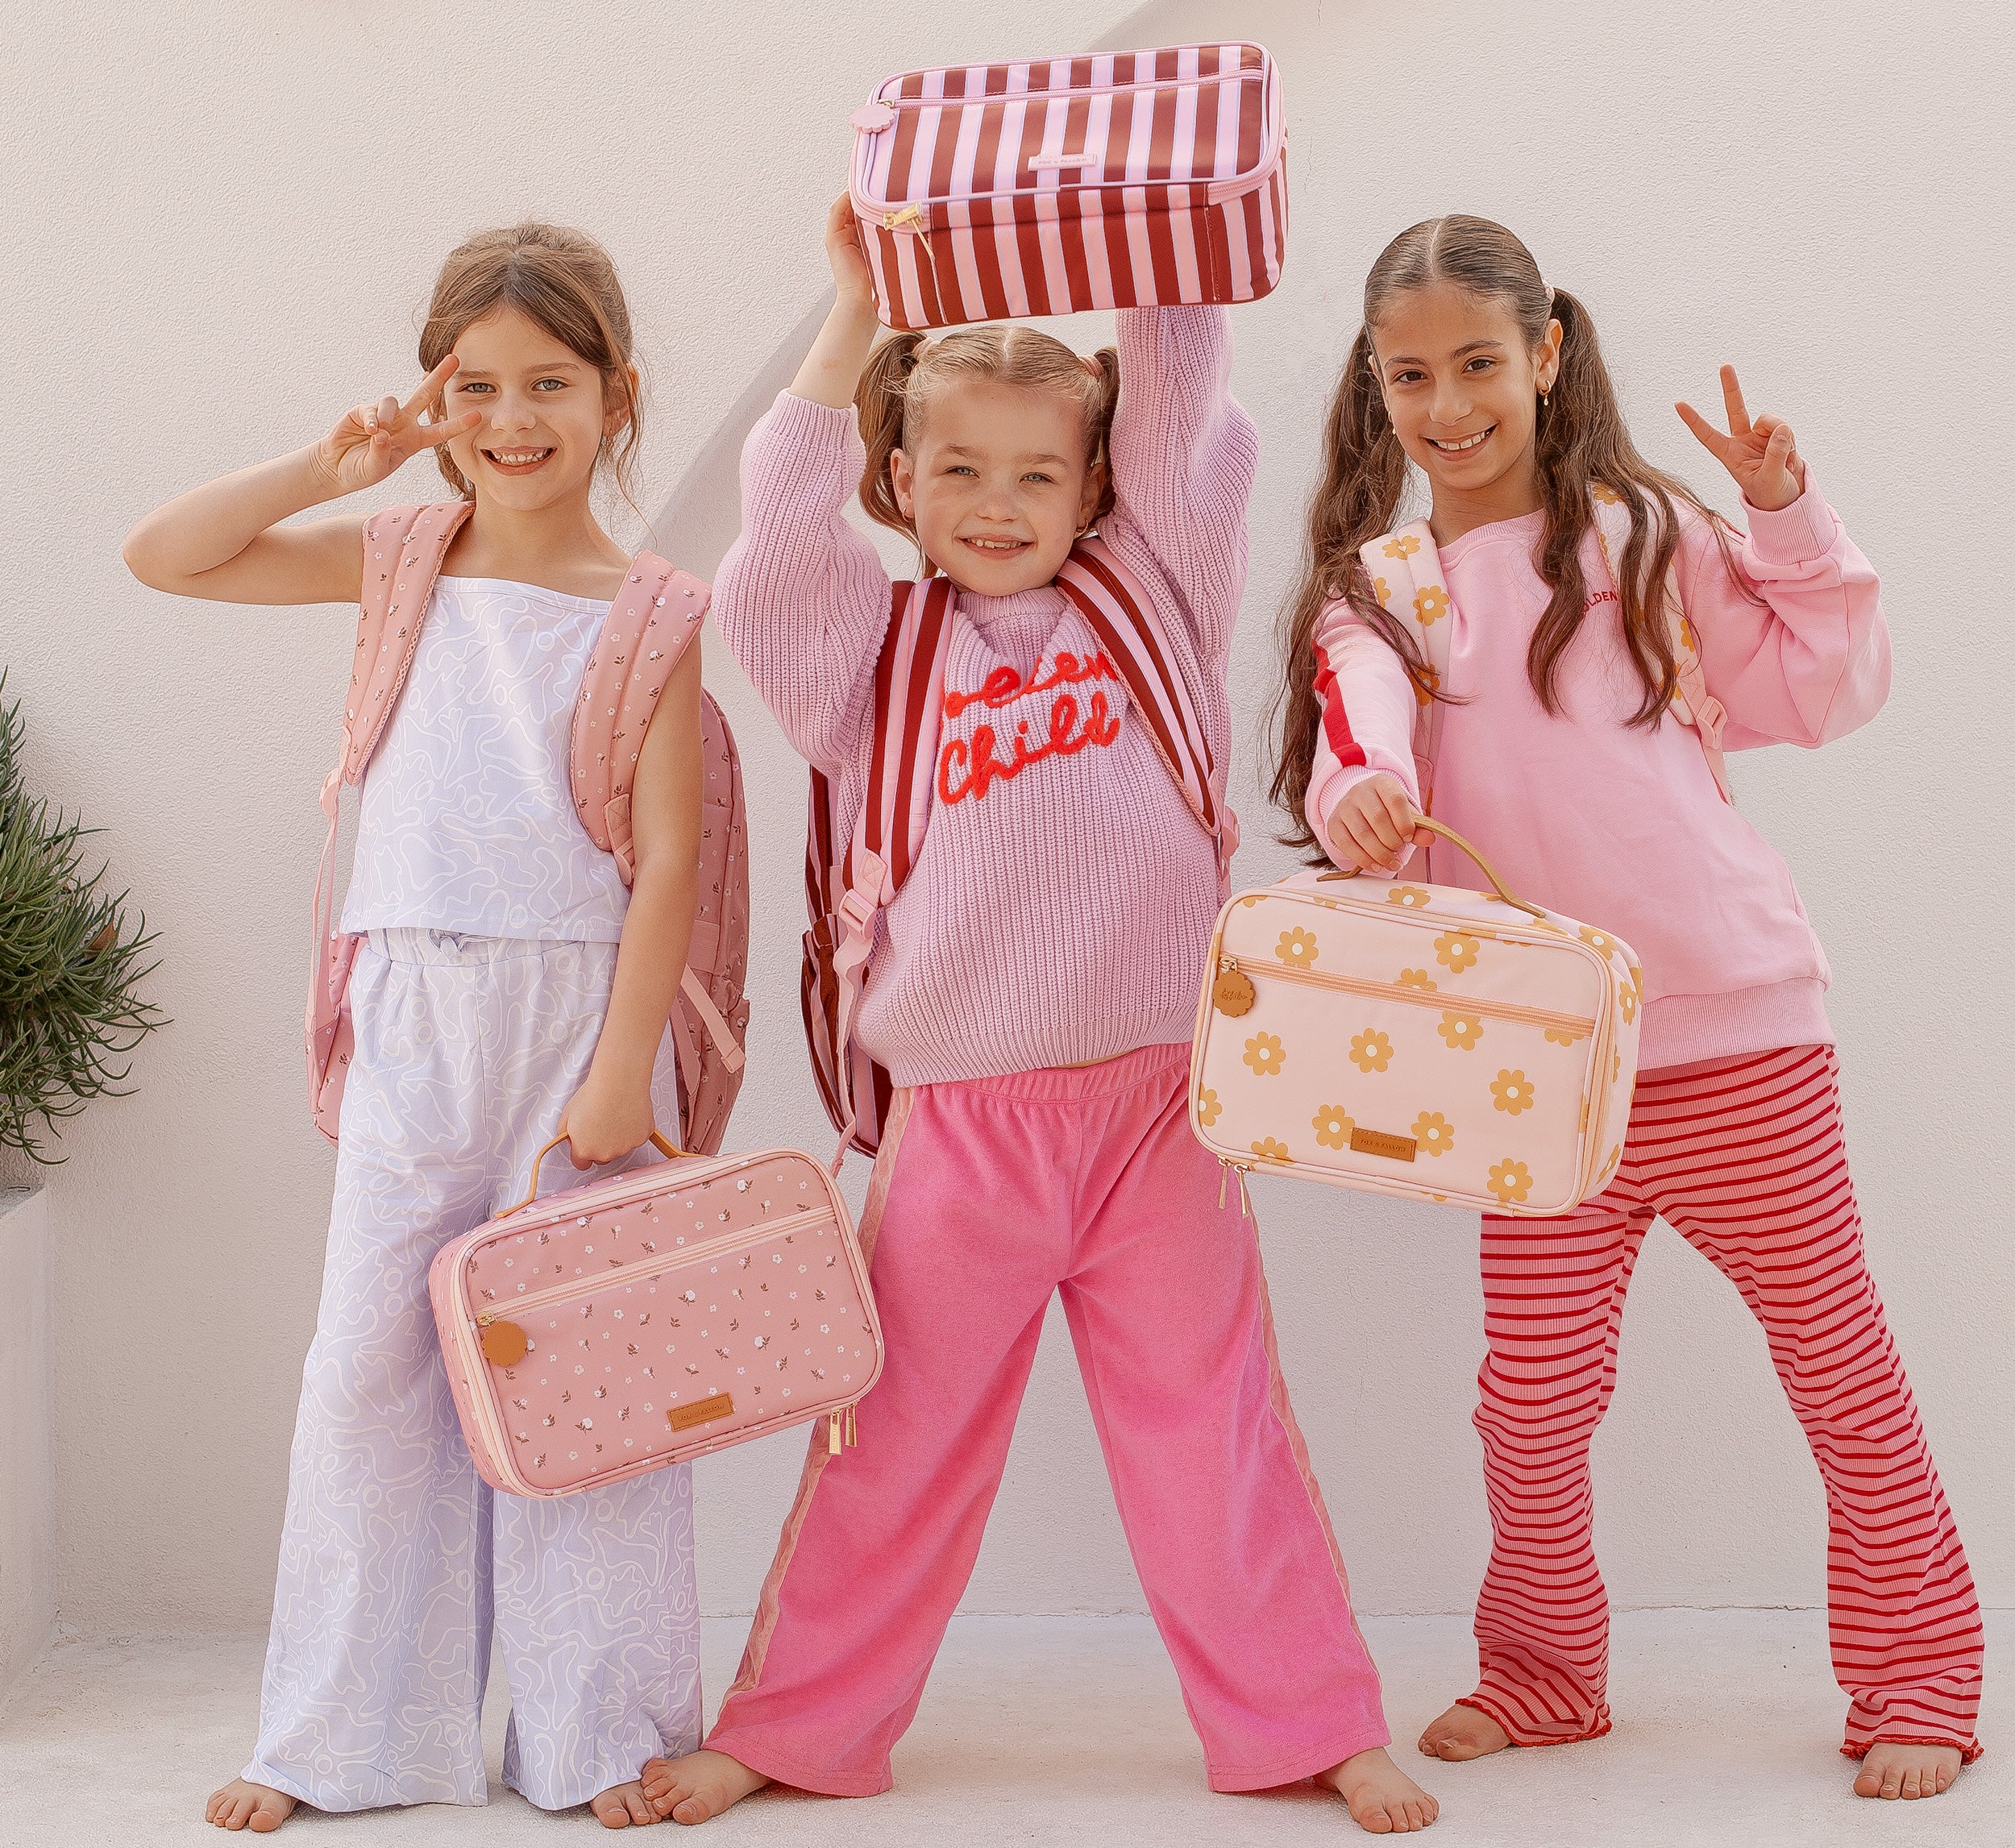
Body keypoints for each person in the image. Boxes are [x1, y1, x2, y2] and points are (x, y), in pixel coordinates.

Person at [641, 193, 1438, 1833]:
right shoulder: (866, 650)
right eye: (955, 470)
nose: (995, 504)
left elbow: (1185, 422)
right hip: (958, 1125)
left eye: (1034, 473)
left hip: (1158, 1107)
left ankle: (1303, 1718)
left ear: (1092, 488)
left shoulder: (1153, 592)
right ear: (901, 483)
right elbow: (773, 536)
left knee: (1210, 1434)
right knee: (890, 1447)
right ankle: (794, 1725)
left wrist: (1160, 251)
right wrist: (856, 306)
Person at [1275, 213, 1981, 1803]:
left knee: (1836, 1360)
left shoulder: (1640, 536)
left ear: (1541, 354)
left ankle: (1917, 1672)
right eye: (1408, 374)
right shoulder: (1375, 589)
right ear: (1373, 391)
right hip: (1533, 1069)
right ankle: (1539, 1672)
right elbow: (1355, 738)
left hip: (1736, 1030)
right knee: (1525, 1396)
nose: (1444, 402)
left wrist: (1784, 511)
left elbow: (1816, 686)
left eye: (1473, 361)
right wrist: (1371, 801)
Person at [124, 223, 708, 1832]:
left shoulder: (652, 604)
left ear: (617, 395)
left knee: (592, 1375)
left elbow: (669, 857)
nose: (512, 418)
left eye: (549, 384)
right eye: (475, 386)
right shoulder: (397, 555)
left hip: (581, 1015)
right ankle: (345, 1735)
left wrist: (615, 1077)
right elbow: (165, 553)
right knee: (370, 1370)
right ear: (433, 395)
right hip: (414, 1006)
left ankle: (602, 1731)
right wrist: (328, 459)